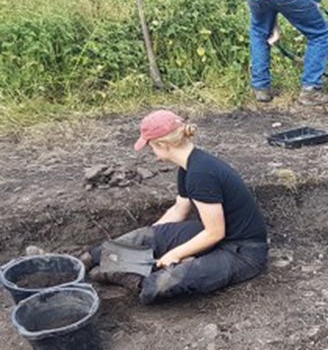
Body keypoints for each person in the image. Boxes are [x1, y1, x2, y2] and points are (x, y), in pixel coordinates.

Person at [86, 110, 270, 304]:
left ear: (162, 145)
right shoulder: (189, 166)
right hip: (214, 234)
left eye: (151, 147)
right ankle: (89, 259)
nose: (152, 153)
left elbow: (215, 233)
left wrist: (174, 254)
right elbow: (179, 210)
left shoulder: (201, 174)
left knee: (161, 284)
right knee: (145, 236)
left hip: (242, 251)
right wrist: (153, 237)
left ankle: (124, 274)